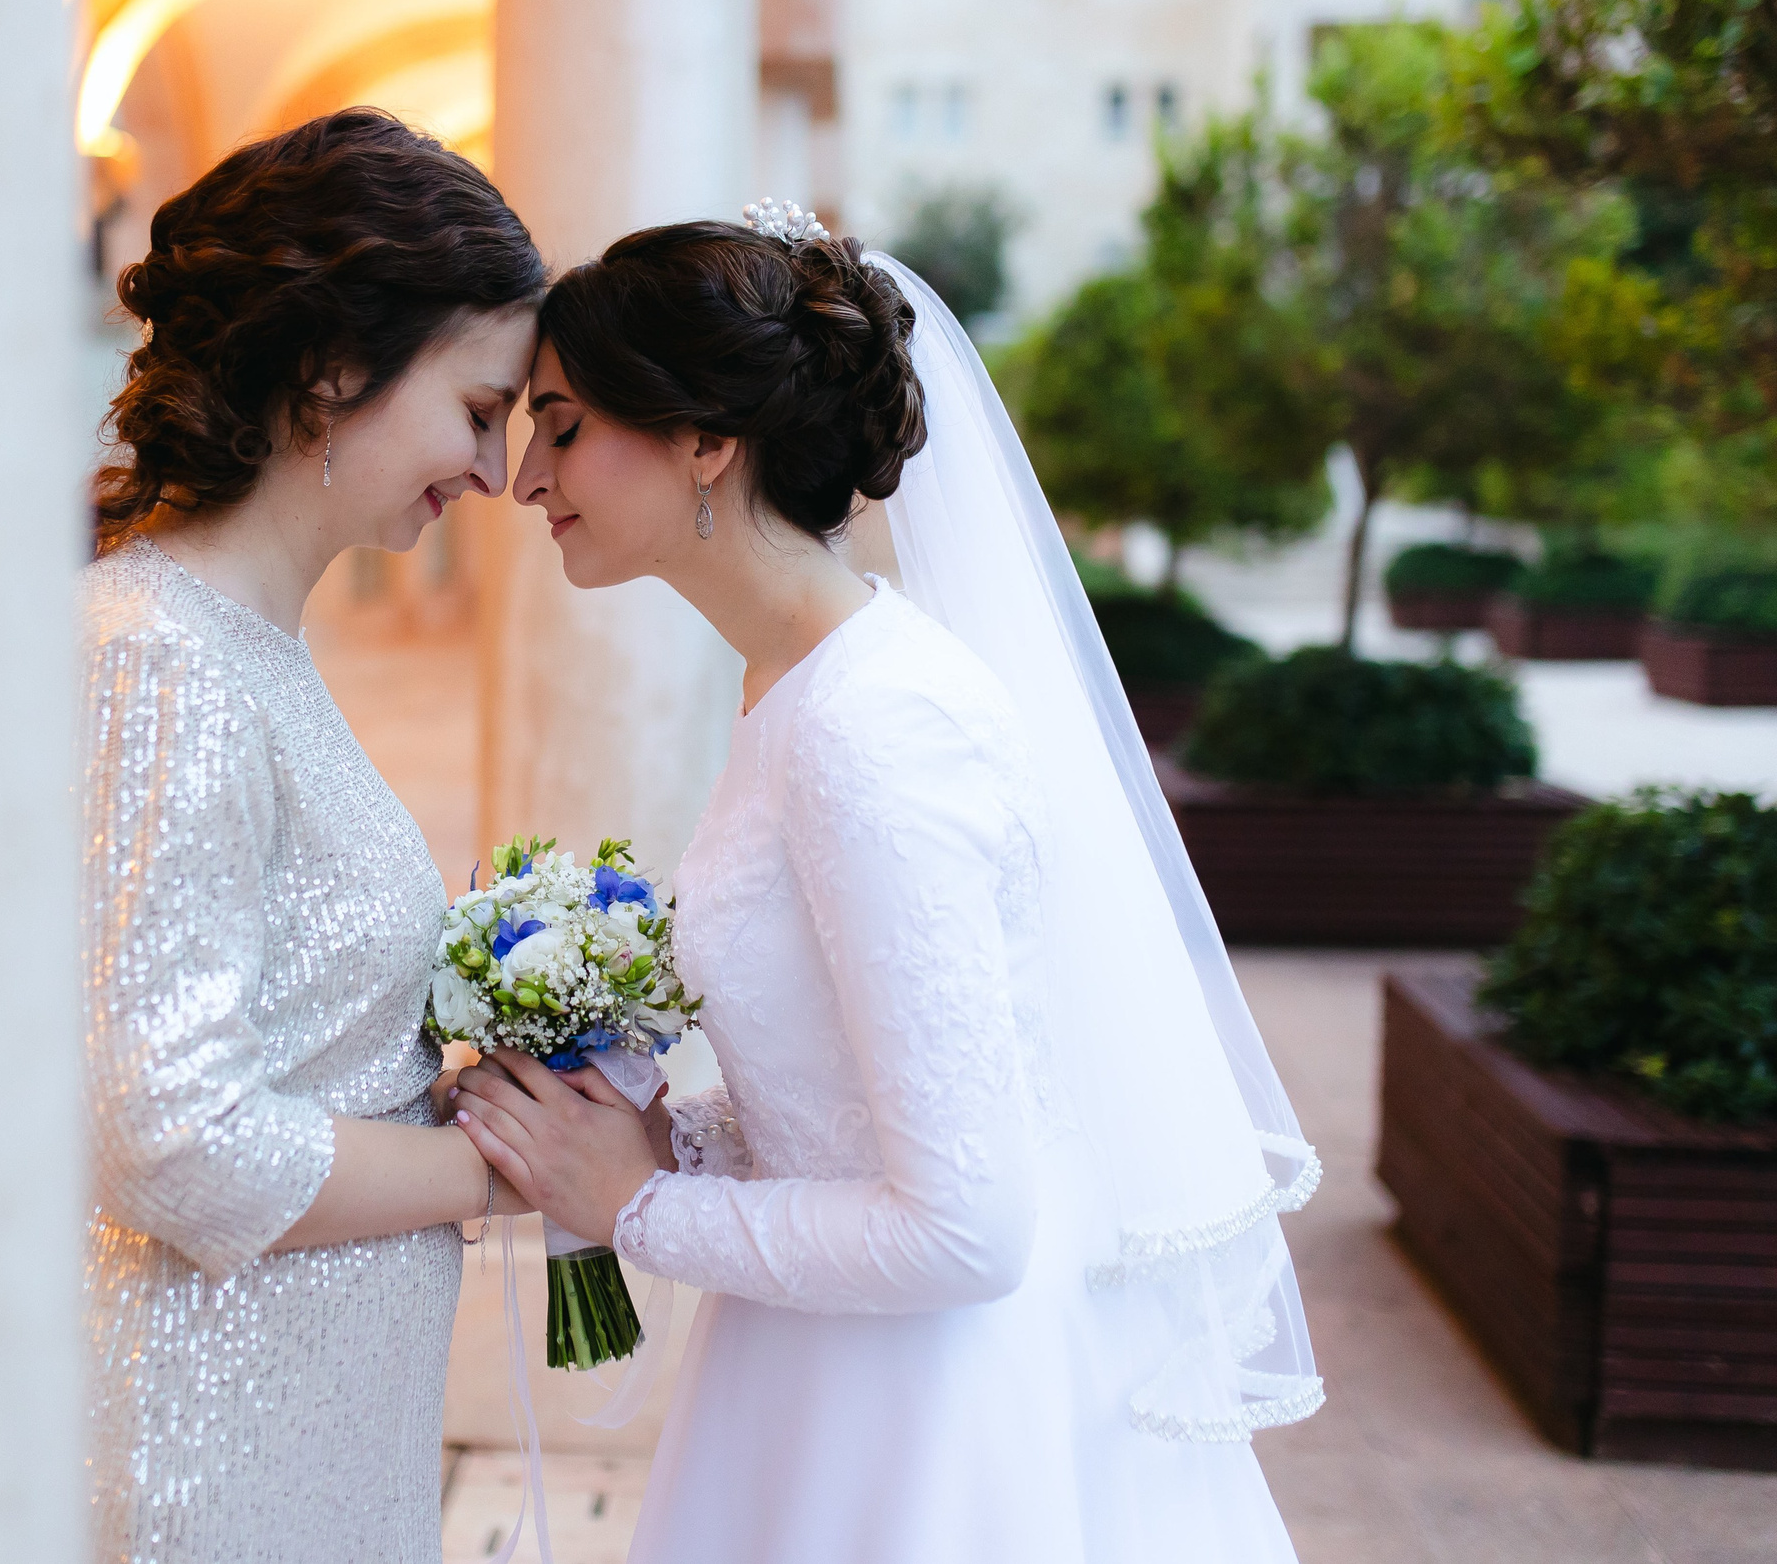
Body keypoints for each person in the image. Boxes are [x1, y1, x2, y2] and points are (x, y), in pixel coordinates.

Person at [452, 210, 1322, 1562]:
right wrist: (658, 1131)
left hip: (928, 1414)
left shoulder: (872, 725)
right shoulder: (801, 684)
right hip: (830, 1365)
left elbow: (968, 1226)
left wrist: (637, 1203)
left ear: (704, 438)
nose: (523, 477)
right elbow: (860, 1097)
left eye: (562, 426)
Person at [83, 110, 543, 1564]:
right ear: (336, 370)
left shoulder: (248, 648)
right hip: (212, 1442)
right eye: (478, 408)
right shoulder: (163, 661)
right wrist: (498, 1164)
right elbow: (170, 1135)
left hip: (305, 1411)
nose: (492, 468)